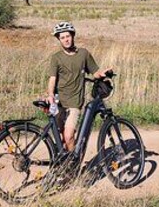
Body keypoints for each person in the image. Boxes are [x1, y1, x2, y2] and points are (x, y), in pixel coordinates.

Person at [46, 22, 111, 152]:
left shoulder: (83, 54)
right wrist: (50, 94)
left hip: (74, 103)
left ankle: (73, 168)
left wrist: (102, 74)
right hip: (59, 103)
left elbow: (95, 72)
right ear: (59, 39)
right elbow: (52, 78)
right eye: (62, 37)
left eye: (68, 36)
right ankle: (62, 165)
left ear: (73, 36)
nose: (66, 39)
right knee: (60, 139)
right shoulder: (56, 58)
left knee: (69, 136)